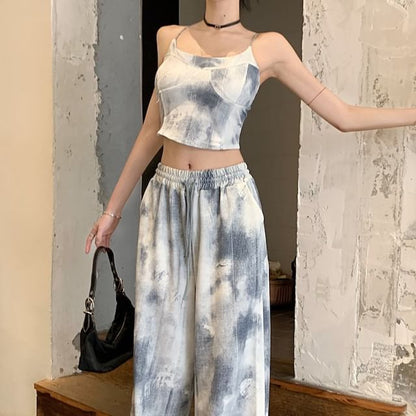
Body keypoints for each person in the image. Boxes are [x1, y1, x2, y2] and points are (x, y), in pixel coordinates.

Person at [85, 0, 416, 414]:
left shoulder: (267, 47)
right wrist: (112, 211)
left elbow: (342, 115)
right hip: (166, 203)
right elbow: (153, 128)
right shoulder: (168, 38)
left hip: (230, 209)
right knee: (161, 348)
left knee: (228, 351)